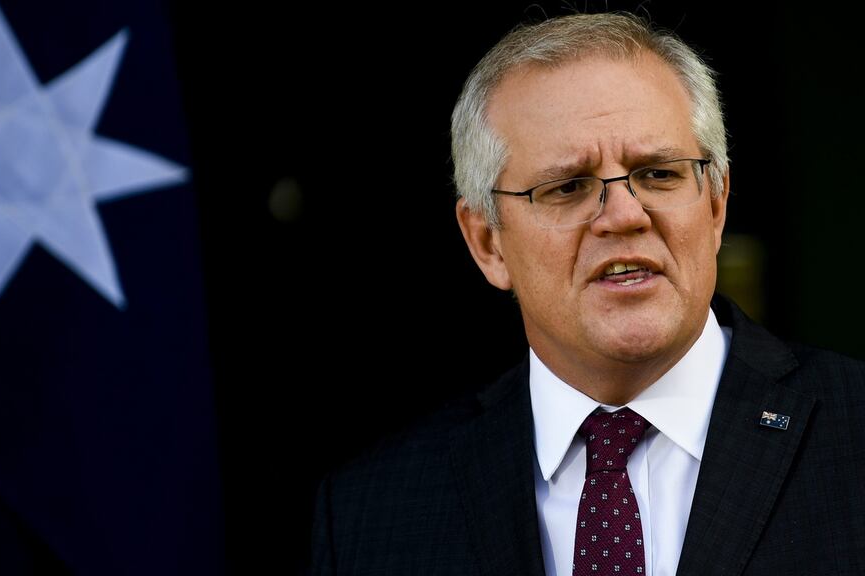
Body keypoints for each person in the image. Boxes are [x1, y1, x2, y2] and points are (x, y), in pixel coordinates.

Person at [310, 12, 865, 576]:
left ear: (716, 205)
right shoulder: (370, 513)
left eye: (658, 174)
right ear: (487, 243)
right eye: (568, 187)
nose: (624, 215)